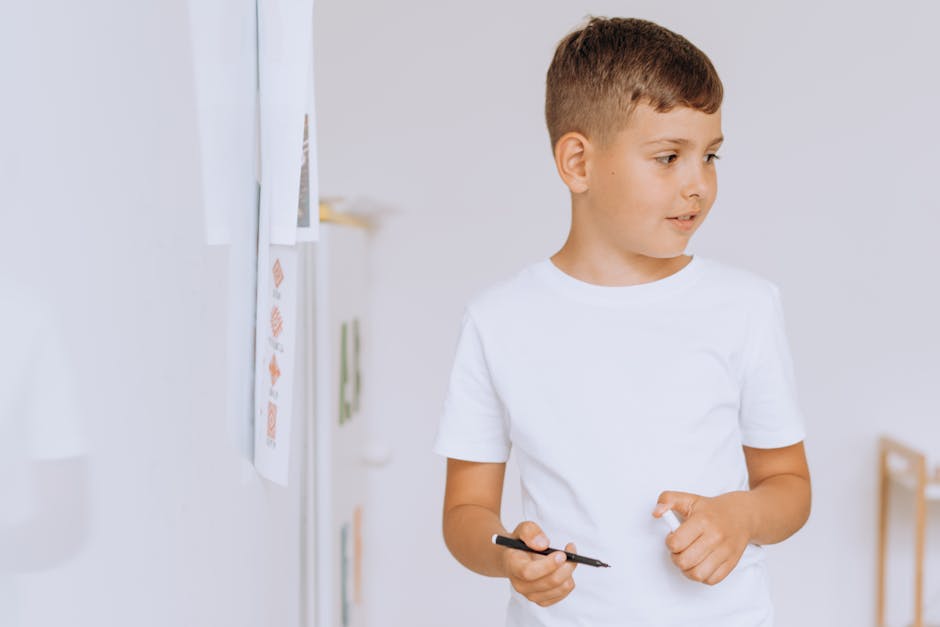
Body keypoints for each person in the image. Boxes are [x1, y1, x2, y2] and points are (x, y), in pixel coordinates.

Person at [434, 16, 811, 627]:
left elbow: (788, 483)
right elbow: (465, 513)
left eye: (710, 156)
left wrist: (741, 515)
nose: (699, 185)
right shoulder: (498, 321)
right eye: (668, 157)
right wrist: (511, 559)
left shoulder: (746, 307)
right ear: (578, 163)